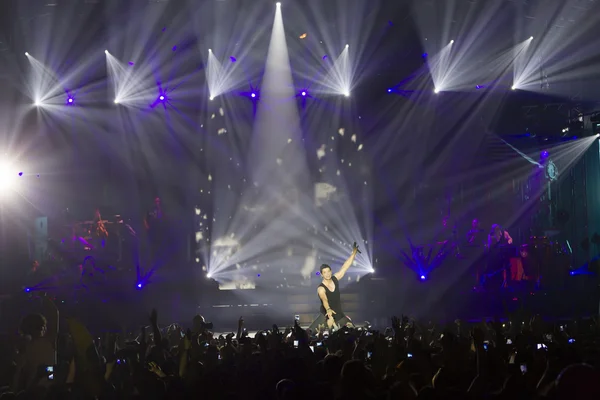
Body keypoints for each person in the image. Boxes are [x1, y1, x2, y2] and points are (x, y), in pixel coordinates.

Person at [317, 242, 359, 330]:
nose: (327, 274)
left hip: (339, 313)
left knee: (353, 331)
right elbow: (324, 299)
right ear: (321, 274)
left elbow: (345, 267)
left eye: (328, 271)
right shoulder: (321, 288)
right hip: (328, 315)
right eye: (325, 272)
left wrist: (354, 253)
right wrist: (328, 309)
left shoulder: (335, 278)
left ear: (331, 271)